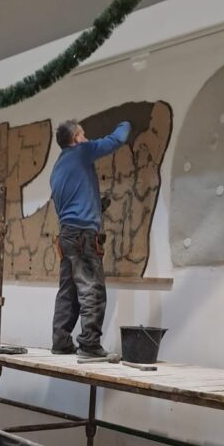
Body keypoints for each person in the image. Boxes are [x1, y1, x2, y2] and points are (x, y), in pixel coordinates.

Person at [50, 118, 131, 360]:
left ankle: (61, 341)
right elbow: (118, 139)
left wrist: (97, 205)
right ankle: (89, 345)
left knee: (69, 290)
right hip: (84, 235)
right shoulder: (82, 152)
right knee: (92, 288)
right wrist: (126, 122)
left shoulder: (58, 168)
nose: (86, 138)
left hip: (67, 235)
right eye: (83, 134)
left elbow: (71, 204)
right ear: (75, 139)